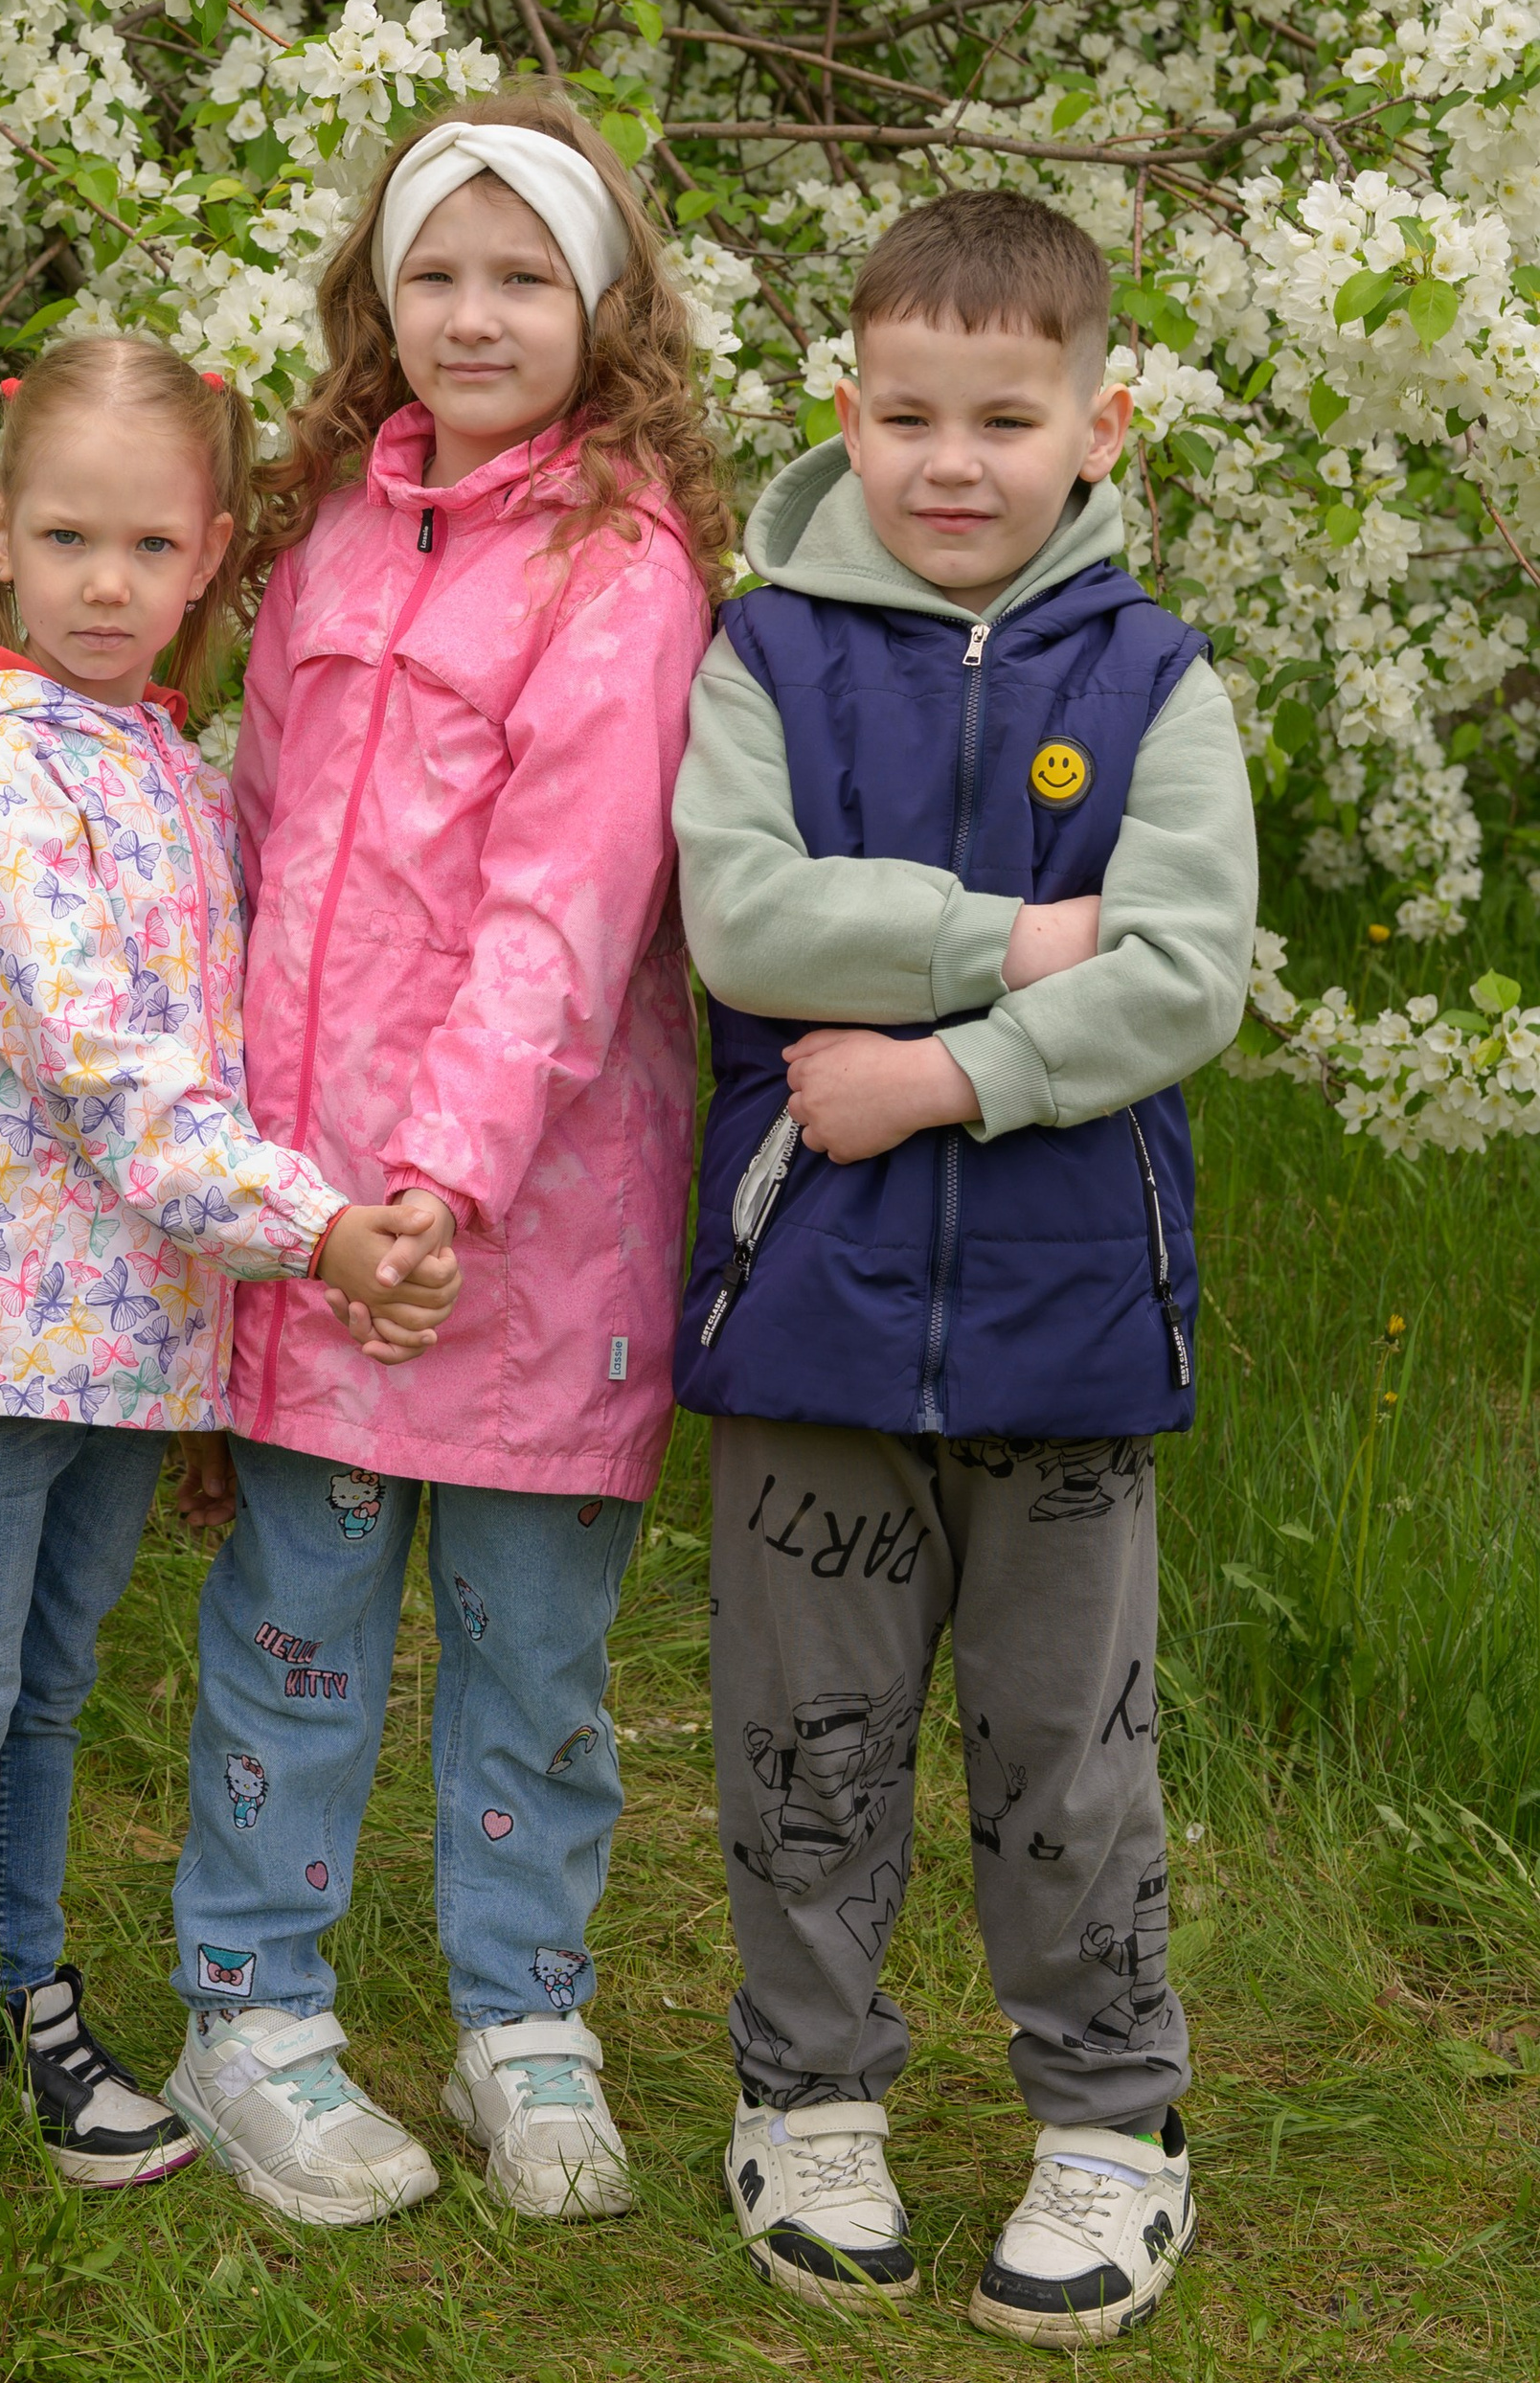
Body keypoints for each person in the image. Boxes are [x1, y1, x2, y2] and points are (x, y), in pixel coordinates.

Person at [0, 336, 460, 2256]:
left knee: (44, 1701)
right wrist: (305, 1228)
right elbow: (110, 1069)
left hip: (124, 1335)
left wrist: (225, 1325)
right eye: (63, 534)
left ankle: (11, 2001)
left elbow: (216, 1047)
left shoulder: (157, 762)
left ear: (211, 554)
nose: (100, 579)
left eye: (146, 544)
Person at [670, 188, 1257, 2347]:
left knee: (1062, 1746)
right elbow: (742, 918)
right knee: (801, 1739)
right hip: (806, 1310)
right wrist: (1011, 943)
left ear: (1096, 425)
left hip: (1067, 1328)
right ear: (843, 406)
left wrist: (950, 1077)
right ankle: (807, 2090)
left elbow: (1187, 969)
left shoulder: (1153, 679)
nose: (948, 462)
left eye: (1001, 417)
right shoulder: (765, 655)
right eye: (905, 411)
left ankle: (1109, 2119)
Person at [163, 92, 728, 2229]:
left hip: (522, 1237)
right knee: (291, 1631)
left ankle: (522, 2011)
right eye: (433, 272)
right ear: (374, 300)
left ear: (599, 306)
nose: (473, 313)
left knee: (527, 1661)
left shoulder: (616, 571)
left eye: (520, 275)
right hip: (322, 1228)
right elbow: (260, 853)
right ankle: (252, 2008)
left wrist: (443, 1190)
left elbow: (561, 918)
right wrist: (274, 1194)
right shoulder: (318, 541)